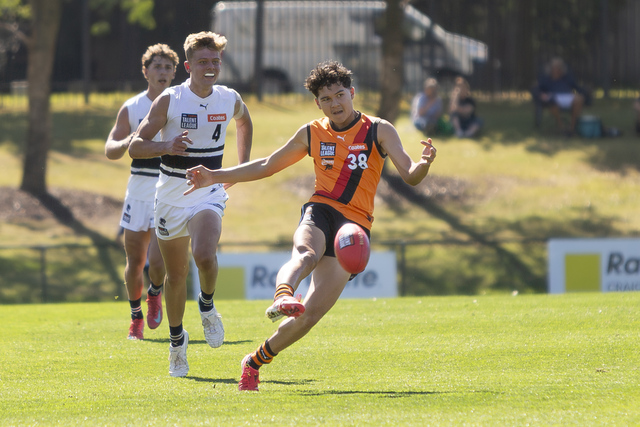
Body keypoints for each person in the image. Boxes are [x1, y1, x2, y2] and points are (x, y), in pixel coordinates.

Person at [183, 61, 437, 391]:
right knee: (305, 255)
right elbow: (267, 165)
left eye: (340, 95)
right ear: (318, 103)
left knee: (311, 315)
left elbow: (411, 175)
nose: (335, 103)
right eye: (326, 99)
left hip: (354, 229)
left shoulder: (379, 130)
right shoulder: (312, 132)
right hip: (321, 210)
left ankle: (255, 361)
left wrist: (424, 164)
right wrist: (214, 176)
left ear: (352, 93)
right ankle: (283, 296)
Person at [129, 31, 253, 377]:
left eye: (215, 61)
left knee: (205, 255)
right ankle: (176, 342)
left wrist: (240, 168)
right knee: (176, 275)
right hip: (170, 196)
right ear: (188, 66)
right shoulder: (170, 100)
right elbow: (135, 146)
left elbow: (244, 121)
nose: (210, 67)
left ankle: (208, 306)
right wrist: (166, 146)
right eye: (202, 62)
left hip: (208, 192)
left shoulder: (229, 98)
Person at [105, 43, 179, 340]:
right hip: (138, 189)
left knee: (159, 263)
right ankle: (135, 316)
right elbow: (110, 148)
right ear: (145, 71)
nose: (163, 72)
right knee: (135, 261)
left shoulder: (182, 103)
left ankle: (155, 293)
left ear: (174, 73)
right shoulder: (132, 107)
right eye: (157, 66)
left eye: (168, 67)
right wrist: (127, 142)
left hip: (168, 187)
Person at [534, 57, 588, 135]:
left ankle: (572, 128)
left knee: (580, 99)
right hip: (553, 97)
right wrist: (541, 95)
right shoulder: (545, 79)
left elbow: (577, 87)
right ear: (551, 68)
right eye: (555, 67)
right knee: (551, 101)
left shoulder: (567, 78)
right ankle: (561, 126)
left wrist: (584, 93)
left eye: (559, 67)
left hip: (567, 96)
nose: (557, 69)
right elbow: (538, 89)